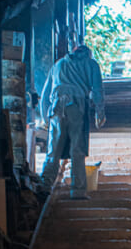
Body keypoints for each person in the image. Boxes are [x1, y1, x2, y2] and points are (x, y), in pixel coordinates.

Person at [40, 43, 105, 199]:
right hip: (77, 106)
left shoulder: (59, 63)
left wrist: (44, 117)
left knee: (53, 149)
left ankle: (44, 185)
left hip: (56, 107)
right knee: (77, 148)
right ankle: (78, 190)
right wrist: (100, 113)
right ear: (88, 54)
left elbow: (45, 94)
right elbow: (97, 91)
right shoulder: (91, 64)